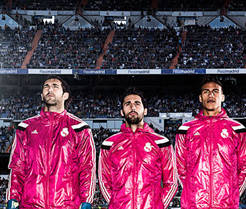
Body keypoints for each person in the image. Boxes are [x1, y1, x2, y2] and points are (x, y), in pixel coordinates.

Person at [7, 75, 95, 209]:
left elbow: (87, 168)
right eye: (46, 87)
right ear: (42, 96)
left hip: (67, 205)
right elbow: (17, 167)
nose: (49, 89)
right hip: (31, 205)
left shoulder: (79, 129)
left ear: (65, 95)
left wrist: (87, 200)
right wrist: (13, 198)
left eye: (55, 86)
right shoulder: (25, 128)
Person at [175, 75, 246, 208]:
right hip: (194, 204)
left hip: (227, 204)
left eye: (215, 91)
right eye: (206, 91)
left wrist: (231, 195)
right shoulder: (185, 130)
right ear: (200, 98)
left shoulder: (238, 129)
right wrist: (192, 194)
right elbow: (180, 167)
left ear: (222, 97)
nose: (211, 95)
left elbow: (244, 167)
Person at [99, 87, 177, 209]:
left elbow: (171, 183)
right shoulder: (108, 144)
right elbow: (104, 182)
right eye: (128, 104)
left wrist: (157, 206)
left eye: (137, 103)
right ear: (121, 111)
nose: (133, 107)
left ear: (145, 111)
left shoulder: (161, 142)